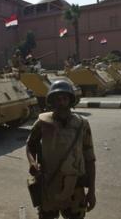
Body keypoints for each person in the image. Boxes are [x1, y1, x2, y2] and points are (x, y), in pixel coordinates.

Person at [26, 80, 96, 219]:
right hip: (48, 186)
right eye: (57, 99)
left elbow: (90, 159)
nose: (61, 102)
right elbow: (30, 145)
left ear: (70, 100)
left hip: (75, 189)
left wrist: (92, 192)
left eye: (65, 98)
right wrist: (32, 163)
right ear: (52, 101)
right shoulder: (42, 123)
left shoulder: (82, 124)